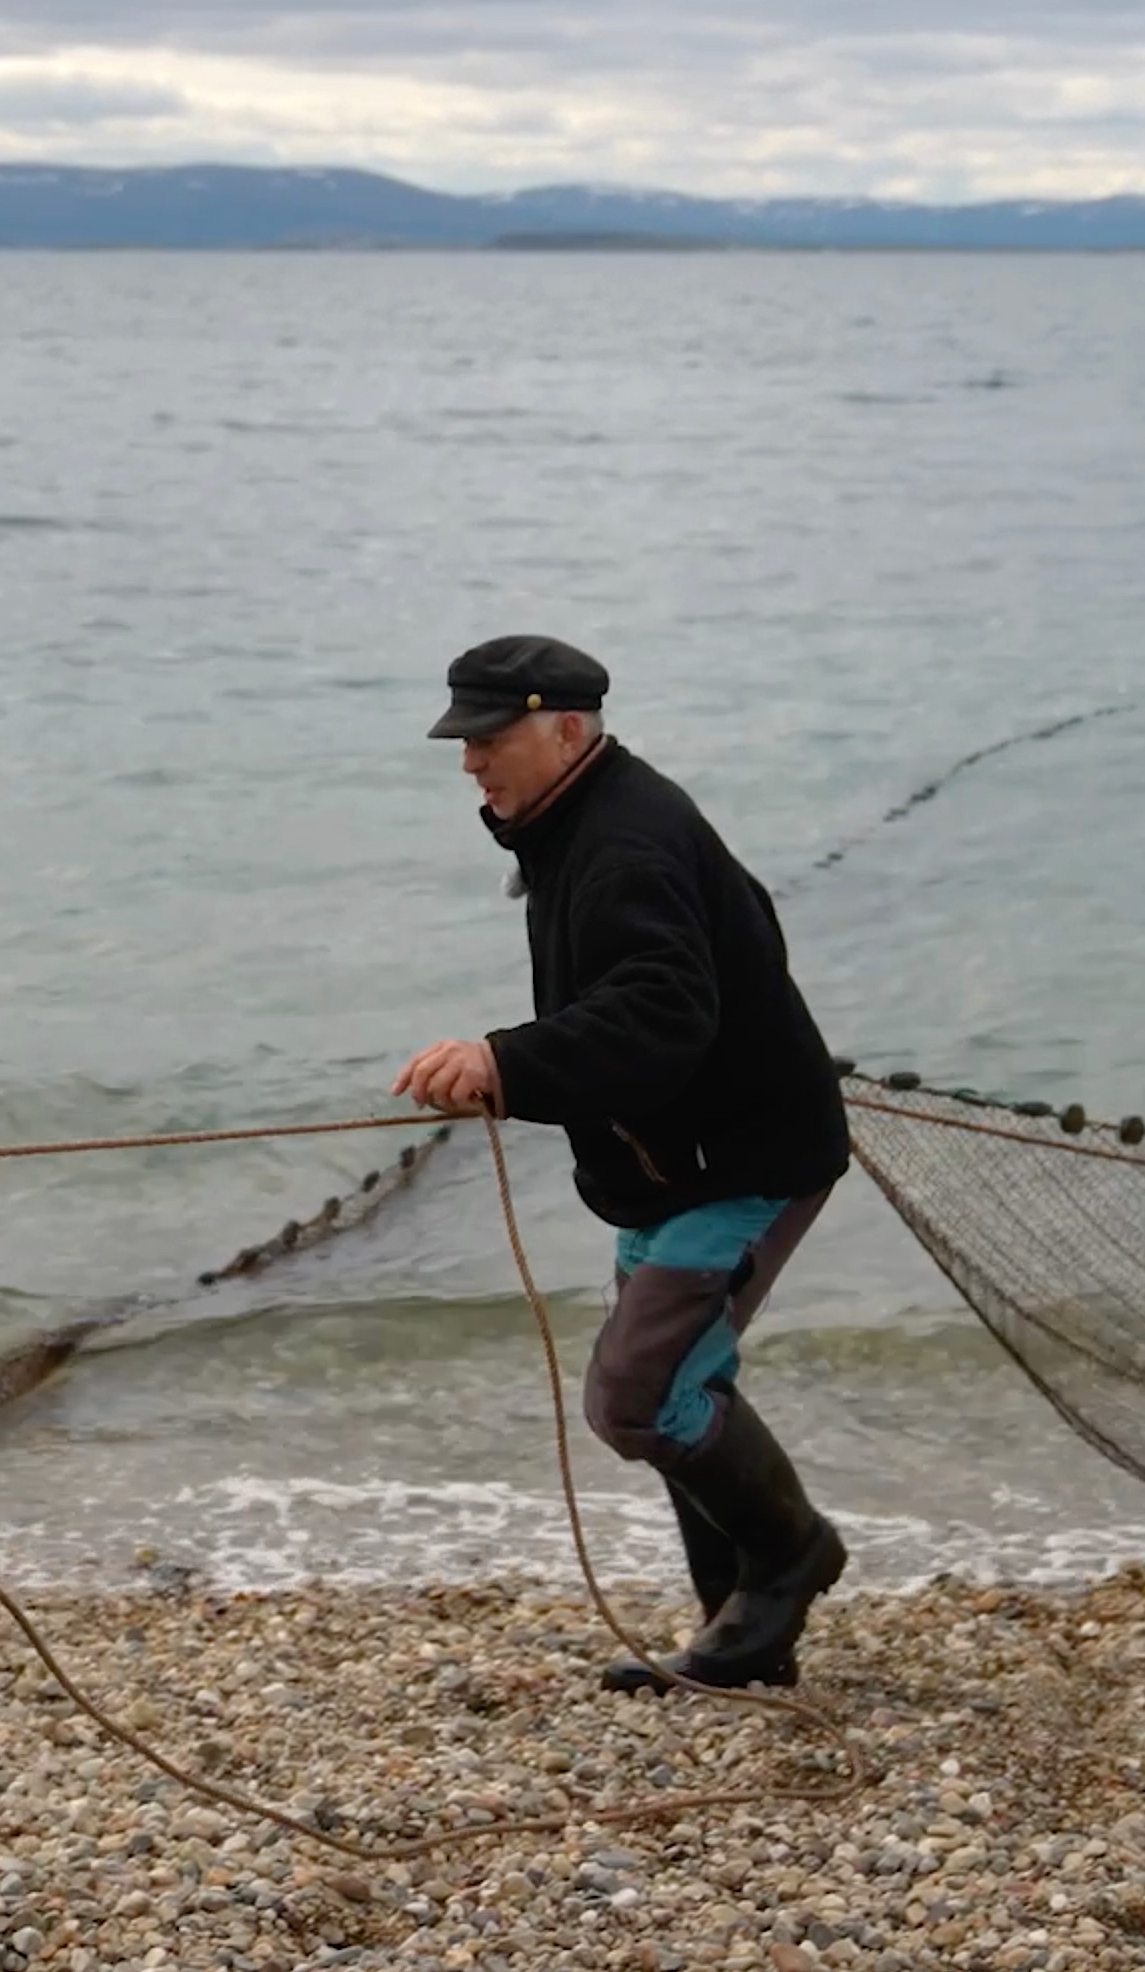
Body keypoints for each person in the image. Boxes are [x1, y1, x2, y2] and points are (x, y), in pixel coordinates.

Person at [389, 637, 856, 1692]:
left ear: (565, 728)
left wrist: (503, 1060)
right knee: (684, 1382)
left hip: (744, 1160)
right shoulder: (576, 820)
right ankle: (740, 1632)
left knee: (638, 1397)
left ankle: (790, 1558)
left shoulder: (624, 842)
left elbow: (664, 1013)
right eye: (461, 739)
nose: (468, 762)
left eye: (487, 738)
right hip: (670, 1163)